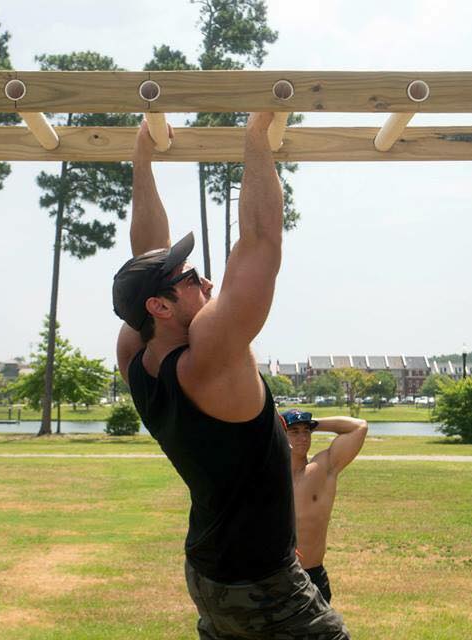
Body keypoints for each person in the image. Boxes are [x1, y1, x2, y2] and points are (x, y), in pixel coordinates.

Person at [113, 115, 350, 639]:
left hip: (211, 570)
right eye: (193, 279)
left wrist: (143, 158)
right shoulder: (209, 358)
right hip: (261, 583)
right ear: (160, 305)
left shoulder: (135, 350)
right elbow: (261, 243)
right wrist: (255, 137)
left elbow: (144, 258)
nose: (208, 281)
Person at [281, 409, 368, 605]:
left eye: (306, 431)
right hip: (275, 577)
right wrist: (278, 425)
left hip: (312, 575)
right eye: (294, 431)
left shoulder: (322, 469)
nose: (303, 437)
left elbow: (358, 427)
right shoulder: (268, 476)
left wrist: (313, 422)